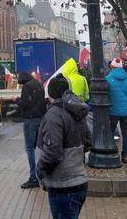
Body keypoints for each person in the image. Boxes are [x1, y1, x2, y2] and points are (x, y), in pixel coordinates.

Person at [36, 74, 90, 219]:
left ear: (51, 93)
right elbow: (88, 141)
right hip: (78, 182)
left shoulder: (54, 114)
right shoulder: (76, 110)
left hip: (62, 186)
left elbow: (53, 152)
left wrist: (40, 170)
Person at [16, 71, 47, 189]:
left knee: (30, 148)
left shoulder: (27, 87)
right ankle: (42, 174)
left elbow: (25, 104)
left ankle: (33, 177)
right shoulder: (39, 84)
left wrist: (17, 100)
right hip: (40, 118)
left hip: (30, 120)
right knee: (40, 147)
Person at [106, 57, 127, 163]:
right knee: (126, 133)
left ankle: (111, 152)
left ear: (112, 67)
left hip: (112, 111)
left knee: (110, 133)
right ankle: (125, 155)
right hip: (126, 111)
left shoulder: (107, 79)